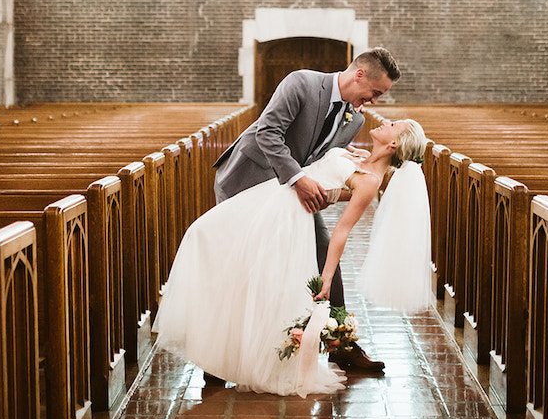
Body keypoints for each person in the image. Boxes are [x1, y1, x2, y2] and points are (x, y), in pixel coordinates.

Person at [152, 117, 431, 398]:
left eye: (394, 124)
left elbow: (342, 230)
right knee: (205, 236)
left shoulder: (369, 181)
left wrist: (327, 276)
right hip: (271, 199)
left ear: (394, 144)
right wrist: (357, 156)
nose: (386, 122)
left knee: (242, 271)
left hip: (285, 219)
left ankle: (230, 358)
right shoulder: (361, 159)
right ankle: (218, 353)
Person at [211, 47, 401, 372]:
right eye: (376, 92)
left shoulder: (355, 119)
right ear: (359, 75)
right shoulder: (301, 83)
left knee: (323, 248)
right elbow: (268, 132)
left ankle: (341, 342)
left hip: (288, 192)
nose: (375, 100)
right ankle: (217, 358)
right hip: (250, 178)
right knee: (245, 265)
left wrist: (333, 176)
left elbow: (321, 154)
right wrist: (299, 179)